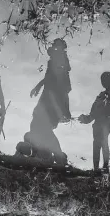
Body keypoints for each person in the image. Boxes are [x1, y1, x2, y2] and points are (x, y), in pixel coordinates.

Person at [26, 38, 71, 166]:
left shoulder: (61, 63)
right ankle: (42, 154)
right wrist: (38, 86)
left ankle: (57, 156)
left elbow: (62, 87)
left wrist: (62, 109)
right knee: (36, 125)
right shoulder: (54, 62)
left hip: (53, 100)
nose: (55, 50)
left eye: (57, 48)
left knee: (43, 127)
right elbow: (48, 77)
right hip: (47, 98)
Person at [78, 71, 110, 172]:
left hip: (108, 122)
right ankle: (96, 169)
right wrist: (85, 118)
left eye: (106, 80)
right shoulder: (100, 96)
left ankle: (105, 167)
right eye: (103, 80)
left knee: (103, 142)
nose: (104, 82)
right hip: (98, 124)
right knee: (97, 144)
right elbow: (92, 114)